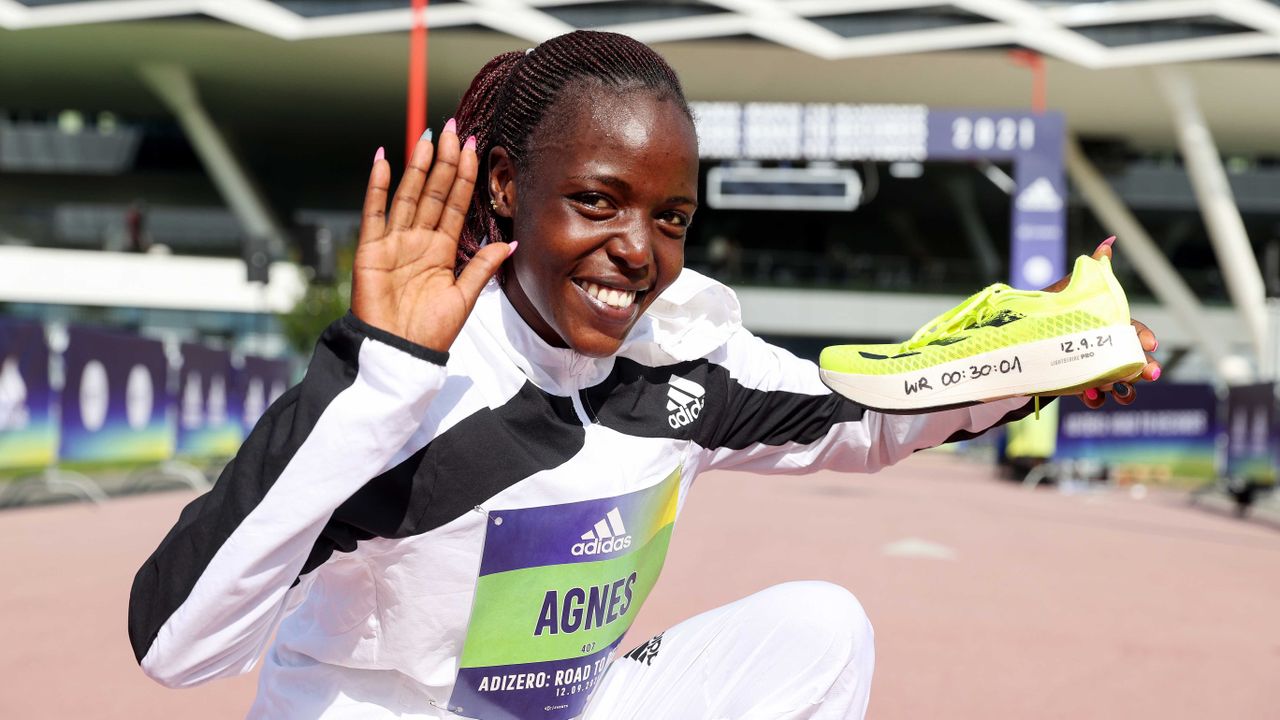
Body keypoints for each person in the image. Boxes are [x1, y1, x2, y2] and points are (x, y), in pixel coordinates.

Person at [128, 31, 1160, 720]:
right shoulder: (412, 384)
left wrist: (1040, 363)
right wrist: (375, 372)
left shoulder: (685, 358)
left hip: (554, 706)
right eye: (596, 200)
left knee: (818, 630)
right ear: (507, 186)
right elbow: (177, 647)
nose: (637, 249)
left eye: (668, 217)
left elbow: (859, 414)